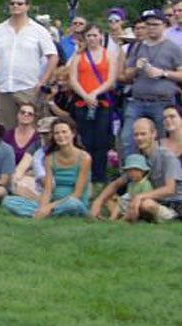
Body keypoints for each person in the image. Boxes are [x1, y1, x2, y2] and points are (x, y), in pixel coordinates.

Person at [89, 119, 182, 222]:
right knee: (112, 197)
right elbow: (117, 183)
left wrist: (140, 197)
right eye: (136, 135)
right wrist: (98, 201)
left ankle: (164, 216)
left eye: (143, 134)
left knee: (146, 204)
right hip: (150, 199)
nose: (139, 138)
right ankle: (123, 216)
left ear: (154, 134)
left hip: (172, 203)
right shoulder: (139, 157)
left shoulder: (167, 157)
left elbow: (170, 189)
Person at [0, 0, 59, 130]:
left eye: (19, 3)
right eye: (12, 3)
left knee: (32, 129)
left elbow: (53, 56)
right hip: (4, 89)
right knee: (6, 130)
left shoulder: (38, 30)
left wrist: (42, 81)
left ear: (27, 6)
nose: (15, 6)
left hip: (29, 88)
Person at [120, 9, 182, 157]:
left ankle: (158, 175)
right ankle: (131, 175)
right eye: (148, 25)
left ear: (164, 26)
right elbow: (127, 75)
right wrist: (136, 69)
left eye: (155, 24)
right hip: (137, 101)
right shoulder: (137, 46)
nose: (151, 28)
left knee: (161, 141)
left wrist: (163, 73)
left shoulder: (173, 48)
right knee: (127, 139)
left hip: (162, 102)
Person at [4, 118, 92, 218]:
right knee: (8, 201)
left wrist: (49, 207)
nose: (61, 136)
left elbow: (77, 194)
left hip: (73, 202)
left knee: (72, 204)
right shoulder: (50, 158)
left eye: (64, 132)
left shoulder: (85, 158)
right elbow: (47, 190)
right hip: (53, 200)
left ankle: (42, 213)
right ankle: (46, 214)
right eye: (57, 133)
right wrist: (43, 207)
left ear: (73, 134)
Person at [68, 25, 120, 184]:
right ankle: (86, 173)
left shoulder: (109, 55)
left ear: (100, 37)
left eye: (94, 35)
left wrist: (95, 93)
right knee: (86, 139)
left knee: (101, 140)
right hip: (83, 102)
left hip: (102, 101)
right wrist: (85, 95)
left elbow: (111, 79)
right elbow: (73, 78)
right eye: (88, 35)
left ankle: (100, 174)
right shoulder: (79, 56)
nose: (92, 38)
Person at [94, 154, 154, 220]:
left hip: (139, 205)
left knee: (130, 207)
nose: (133, 173)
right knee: (119, 204)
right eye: (130, 171)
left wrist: (133, 201)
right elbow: (128, 195)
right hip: (130, 202)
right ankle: (112, 218)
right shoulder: (131, 184)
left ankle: (122, 220)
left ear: (143, 171)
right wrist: (121, 199)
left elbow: (145, 197)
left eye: (136, 171)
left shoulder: (145, 184)